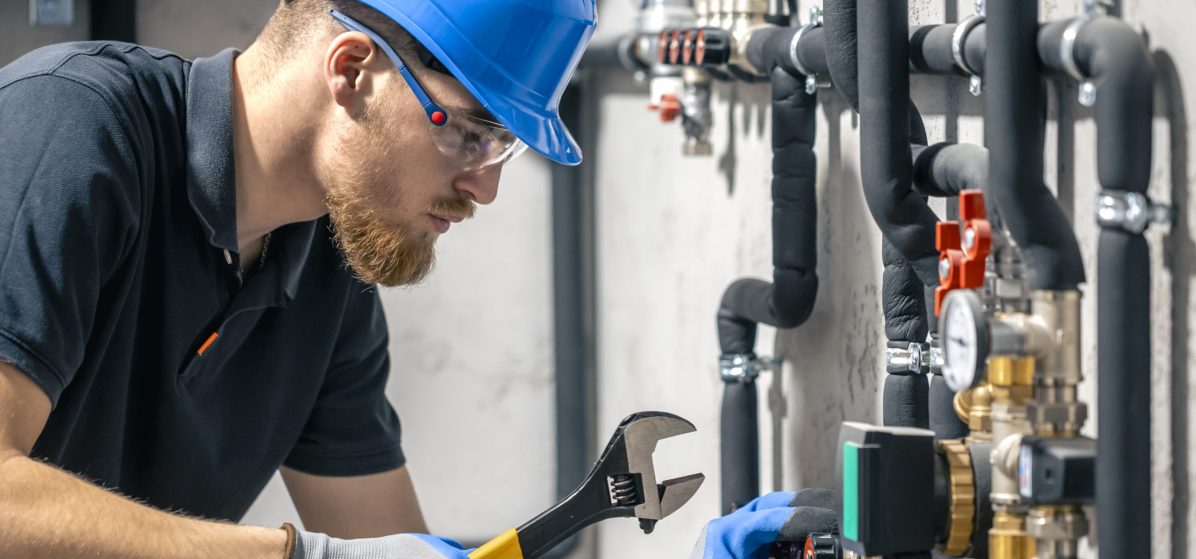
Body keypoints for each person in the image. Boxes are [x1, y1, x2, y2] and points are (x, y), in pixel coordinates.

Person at [0, 0, 835, 556]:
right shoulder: (70, 129)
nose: (486, 185)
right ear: (352, 69)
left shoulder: (325, 271)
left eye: (502, 145)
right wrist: (297, 555)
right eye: (472, 132)